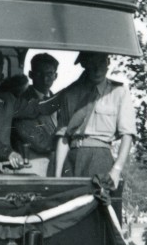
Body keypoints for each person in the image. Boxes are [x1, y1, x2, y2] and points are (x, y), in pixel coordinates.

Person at [53, 51, 136, 219]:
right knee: (69, 215)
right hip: (73, 158)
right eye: (91, 64)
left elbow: (128, 134)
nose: (97, 69)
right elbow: (64, 138)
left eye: (101, 63)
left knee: (100, 216)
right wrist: (57, 177)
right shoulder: (70, 94)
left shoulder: (118, 92)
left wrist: (116, 170)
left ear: (108, 62)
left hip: (100, 158)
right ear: (84, 65)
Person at [14, 53, 60, 176]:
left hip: (55, 166)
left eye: (49, 74)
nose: (45, 79)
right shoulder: (22, 103)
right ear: (31, 75)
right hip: (31, 168)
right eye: (39, 73)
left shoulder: (58, 101)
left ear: (56, 76)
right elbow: (41, 143)